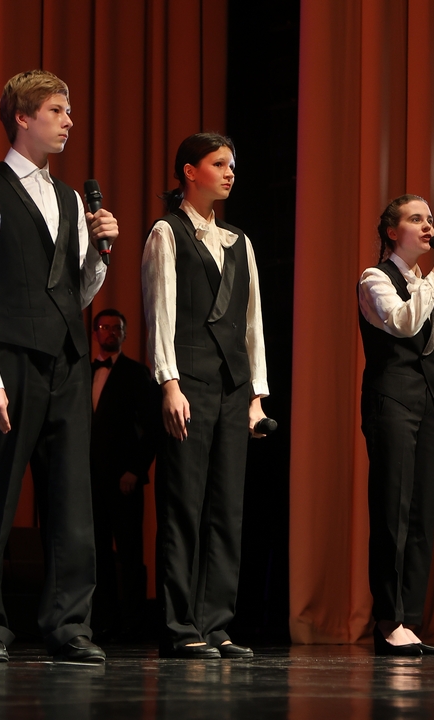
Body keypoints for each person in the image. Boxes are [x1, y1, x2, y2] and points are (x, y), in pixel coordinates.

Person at [0, 69, 117, 664]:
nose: (69, 120)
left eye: (68, 111)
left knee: (72, 501)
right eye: (56, 110)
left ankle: (69, 623)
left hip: (67, 361)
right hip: (11, 358)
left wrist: (101, 254)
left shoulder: (70, 198)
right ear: (23, 118)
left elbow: (75, 292)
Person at [142, 132, 269, 659]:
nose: (229, 172)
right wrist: (168, 383)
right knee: (183, 505)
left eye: (231, 164)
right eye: (219, 164)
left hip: (233, 388)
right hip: (188, 383)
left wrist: (257, 395)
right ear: (190, 172)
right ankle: (180, 624)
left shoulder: (239, 241)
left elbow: (252, 323)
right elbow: (160, 313)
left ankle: (217, 623)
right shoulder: (167, 232)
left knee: (226, 508)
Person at [357, 194, 434, 656]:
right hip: (390, 402)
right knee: (394, 509)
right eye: (416, 219)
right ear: (392, 232)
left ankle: (411, 620)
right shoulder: (375, 278)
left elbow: (427, 358)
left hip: (425, 405)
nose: (429, 227)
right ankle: (389, 620)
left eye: (430, 220)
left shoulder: (424, 284)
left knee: (422, 515)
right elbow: (403, 325)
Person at [88, 309, 160, 639]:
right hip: (91, 480)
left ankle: (134, 624)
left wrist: (135, 469)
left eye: (117, 327)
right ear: (95, 332)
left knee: (130, 552)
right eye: (104, 327)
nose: (110, 332)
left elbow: (151, 427)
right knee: (97, 553)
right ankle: (103, 621)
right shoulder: (83, 372)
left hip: (125, 479)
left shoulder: (136, 373)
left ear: (125, 334)